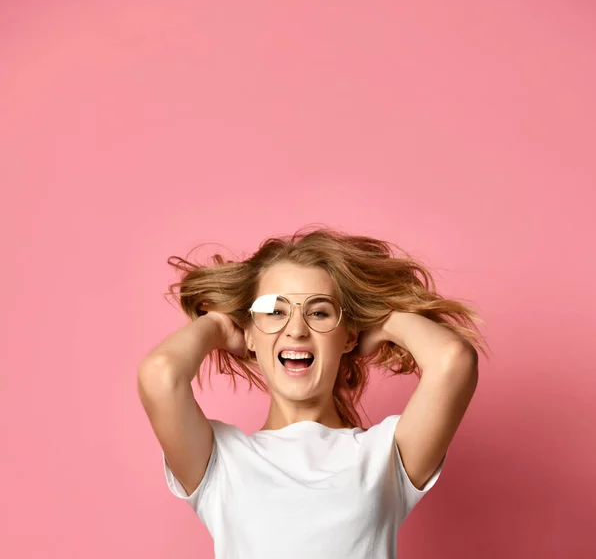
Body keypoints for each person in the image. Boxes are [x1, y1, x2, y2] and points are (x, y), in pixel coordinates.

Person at [137, 226, 487, 558]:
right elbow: (160, 375)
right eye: (275, 311)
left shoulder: (384, 456)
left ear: (348, 336)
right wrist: (217, 324)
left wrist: (378, 320)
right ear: (250, 335)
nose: (296, 330)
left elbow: (453, 361)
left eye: (319, 312)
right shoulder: (220, 462)